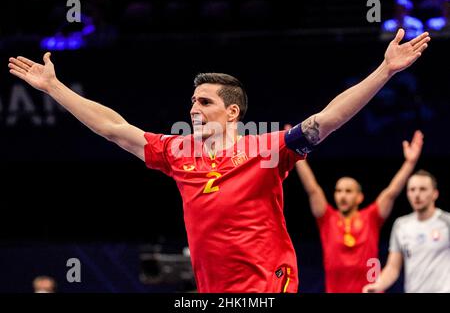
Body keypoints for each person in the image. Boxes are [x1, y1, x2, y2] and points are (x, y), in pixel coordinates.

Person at [7, 28, 430, 293]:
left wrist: (384, 71)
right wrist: (55, 89)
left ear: (231, 113)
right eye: (192, 100)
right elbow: (113, 128)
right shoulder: (177, 152)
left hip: (270, 284)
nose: (193, 107)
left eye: (205, 101)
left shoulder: (266, 149)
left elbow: (327, 120)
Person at [291, 129, 424, 293]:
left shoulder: (372, 217)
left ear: (359, 197)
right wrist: (296, 152)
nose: (342, 196)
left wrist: (410, 163)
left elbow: (391, 192)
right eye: (338, 191)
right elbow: (312, 188)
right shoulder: (327, 218)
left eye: (348, 191)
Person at [363, 170, 450, 293]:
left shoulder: (447, 222)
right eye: (412, 190)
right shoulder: (401, 225)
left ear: (435, 194)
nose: (417, 194)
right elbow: (393, 267)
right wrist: (378, 285)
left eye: (423, 189)